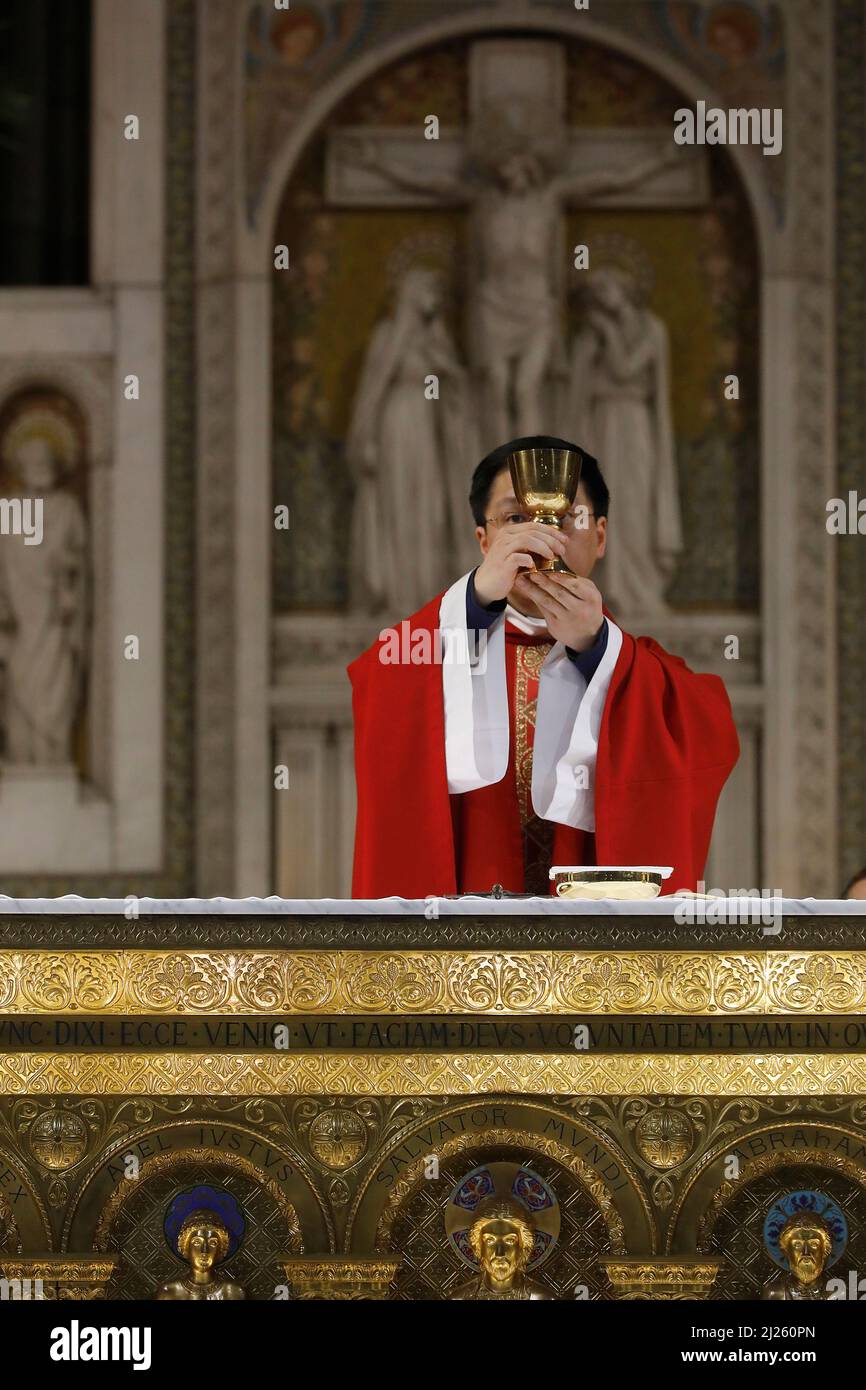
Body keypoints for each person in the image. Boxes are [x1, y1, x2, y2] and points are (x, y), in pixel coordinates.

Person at [348, 434, 739, 898]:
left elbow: (706, 727)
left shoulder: (634, 668)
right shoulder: (438, 650)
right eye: (516, 518)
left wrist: (596, 650)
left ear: (600, 536)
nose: (543, 538)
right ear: (484, 540)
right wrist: (472, 601)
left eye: (566, 518)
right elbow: (378, 681)